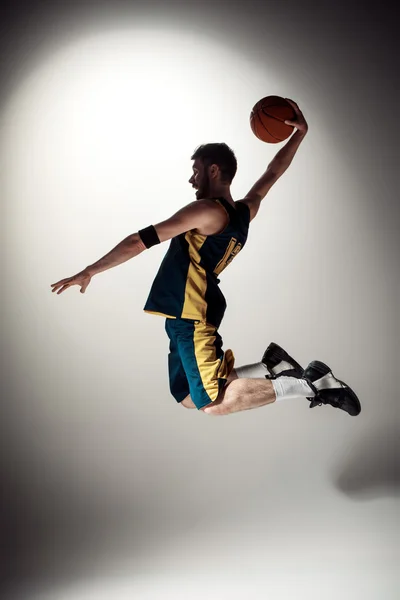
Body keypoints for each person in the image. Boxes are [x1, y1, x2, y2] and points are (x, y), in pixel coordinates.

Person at [51, 98, 361, 417]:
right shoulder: (244, 211)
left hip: (192, 312)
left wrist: (89, 270)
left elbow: (138, 241)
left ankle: (315, 384)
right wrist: (299, 134)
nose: (191, 180)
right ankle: (272, 364)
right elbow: (272, 172)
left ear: (213, 170)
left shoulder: (206, 211)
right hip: (190, 309)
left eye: (196, 171)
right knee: (188, 394)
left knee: (210, 403)